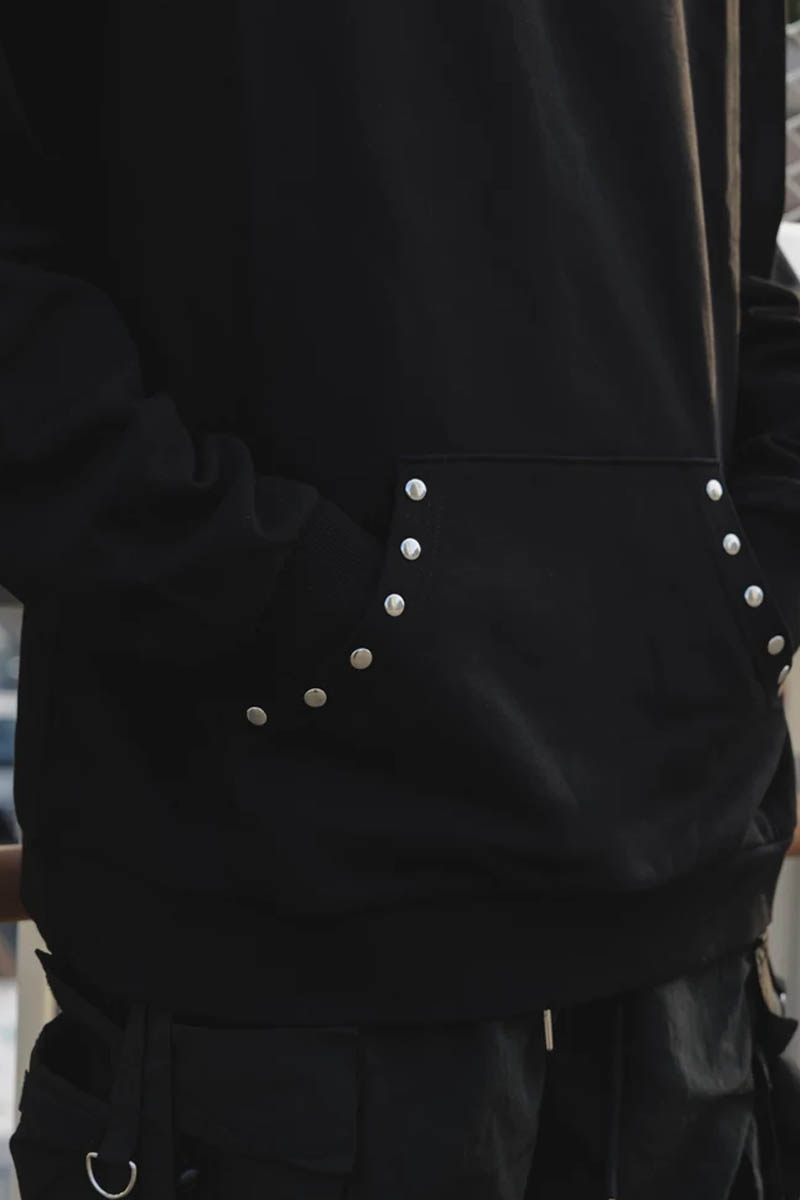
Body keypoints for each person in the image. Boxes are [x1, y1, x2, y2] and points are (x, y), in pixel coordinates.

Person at [3, 2, 800, 1196]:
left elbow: (726, 239)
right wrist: (290, 604)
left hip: (684, 969)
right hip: (277, 950)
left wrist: (756, 561)